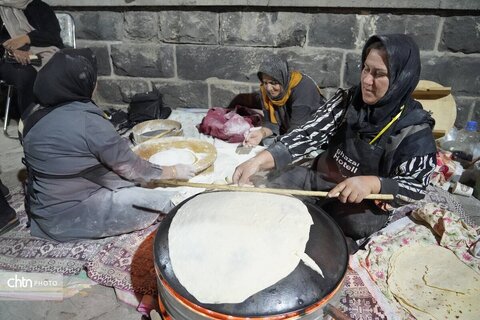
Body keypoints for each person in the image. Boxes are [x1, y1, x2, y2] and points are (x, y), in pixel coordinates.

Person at [233, 34, 437, 252]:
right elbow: (309, 132)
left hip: (358, 201)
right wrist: (260, 160)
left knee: (357, 224)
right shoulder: (349, 100)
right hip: (320, 178)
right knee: (272, 184)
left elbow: (416, 186)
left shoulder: (413, 129)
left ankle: (323, 237)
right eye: (366, 69)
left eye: (378, 74)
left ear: (401, 78)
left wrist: (372, 183)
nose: (367, 81)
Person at [21, 48, 195, 242]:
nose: (96, 84)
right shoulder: (89, 122)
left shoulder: (31, 115)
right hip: (73, 214)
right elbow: (133, 169)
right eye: (94, 79)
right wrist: (174, 171)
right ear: (83, 83)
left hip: (45, 211)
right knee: (171, 201)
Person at [243, 55, 326, 147]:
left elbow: (296, 131)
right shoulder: (265, 90)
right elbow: (270, 123)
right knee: (264, 142)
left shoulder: (304, 88)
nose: (269, 88)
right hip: (289, 132)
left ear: (282, 78)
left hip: (312, 133)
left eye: (273, 83)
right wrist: (261, 133)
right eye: (265, 82)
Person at [0, 0, 63, 118]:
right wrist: (12, 50)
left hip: (45, 54)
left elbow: (54, 37)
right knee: (25, 74)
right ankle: (30, 123)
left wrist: (26, 38)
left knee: (72, 67)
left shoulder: (40, 6)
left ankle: (63, 117)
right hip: (8, 59)